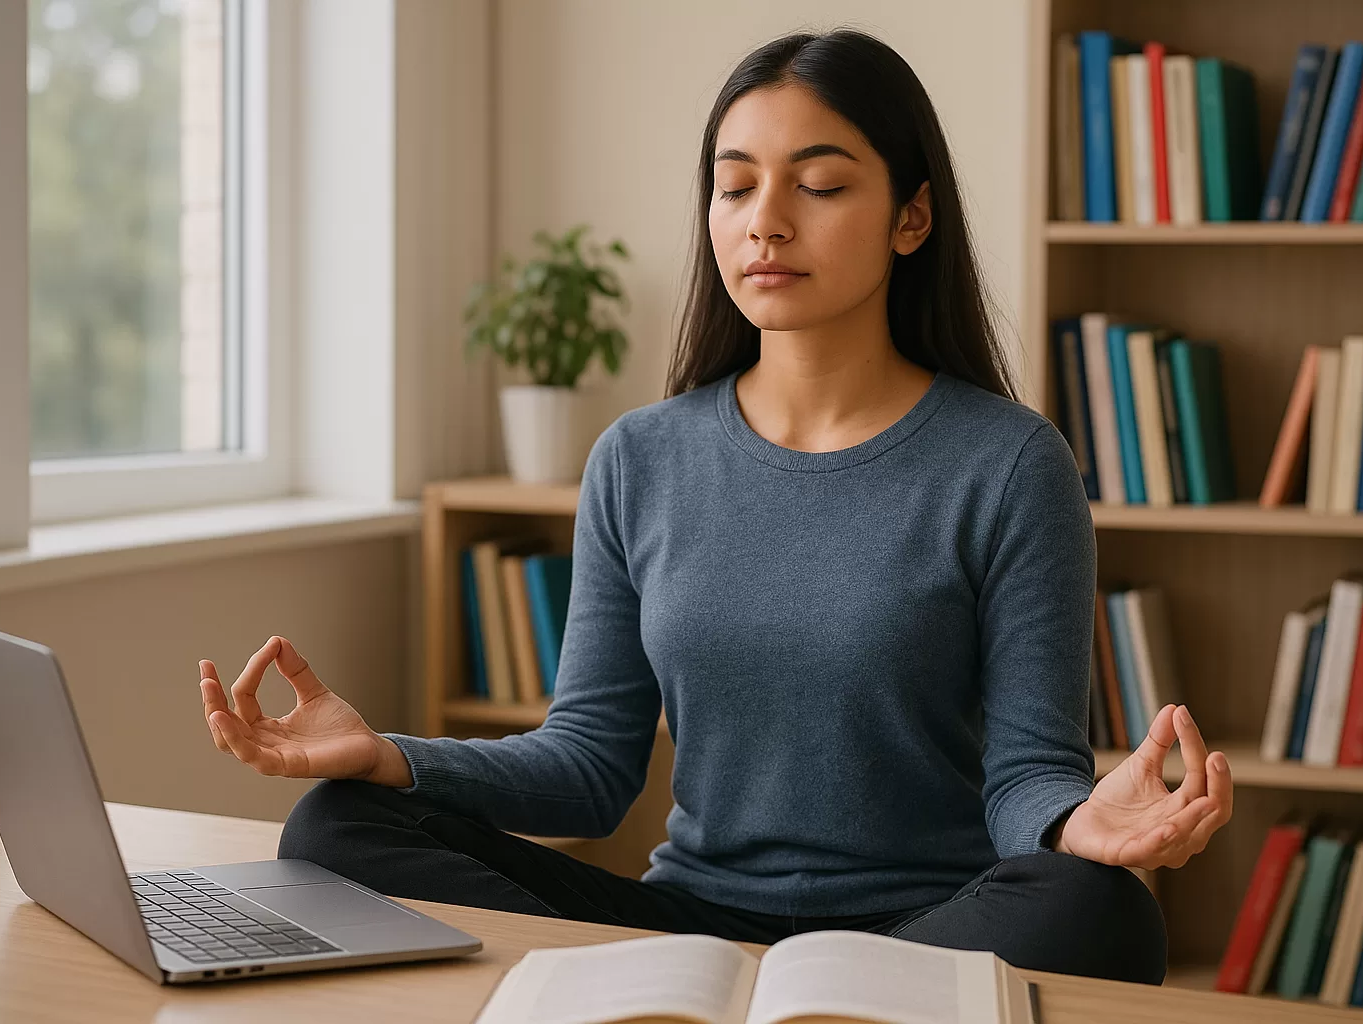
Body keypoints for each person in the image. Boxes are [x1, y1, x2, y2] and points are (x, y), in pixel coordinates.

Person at [200, 28, 1232, 985]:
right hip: (688, 925)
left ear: (912, 216)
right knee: (335, 827)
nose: (766, 221)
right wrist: (385, 755)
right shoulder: (640, 458)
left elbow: (1025, 782)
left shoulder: (1009, 464)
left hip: (925, 932)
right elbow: (589, 767)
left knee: (1099, 907)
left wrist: (1078, 824)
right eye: (734, 188)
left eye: (819, 184)